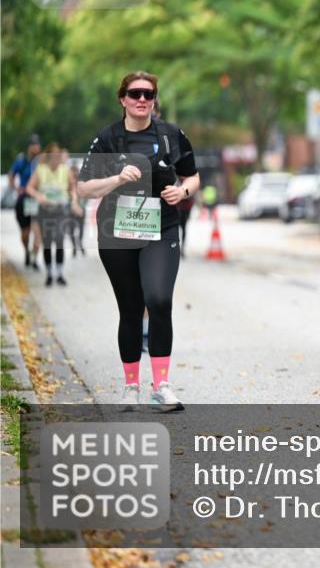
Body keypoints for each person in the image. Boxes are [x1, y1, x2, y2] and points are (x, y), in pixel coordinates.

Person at [77, 71, 200, 412]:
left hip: (161, 228)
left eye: (149, 94)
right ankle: (131, 387)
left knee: (159, 300)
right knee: (131, 309)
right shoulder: (108, 139)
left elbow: (192, 175)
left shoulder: (171, 135)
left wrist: (183, 190)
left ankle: (161, 385)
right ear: (123, 99)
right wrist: (116, 178)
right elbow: (84, 188)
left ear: (154, 99)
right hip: (117, 232)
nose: (142, 99)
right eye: (135, 94)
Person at [26, 143, 79, 286]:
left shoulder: (64, 169)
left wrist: (74, 202)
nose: (56, 161)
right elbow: (29, 188)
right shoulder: (40, 169)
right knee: (48, 243)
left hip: (60, 210)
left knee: (60, 239)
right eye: (54, 158)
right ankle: (49, 274)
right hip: (45, 211)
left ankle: (60, 273)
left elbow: (72, 188)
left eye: (58, 158)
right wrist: (38, 196)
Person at [8, 134, 42, 270]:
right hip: (25, 199)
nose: (36, 147)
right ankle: (27, 251)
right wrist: (15, 188)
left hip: (36, 199)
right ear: (30, 147)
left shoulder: (41, 162)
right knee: (26, 232)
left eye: (37, 145)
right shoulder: (21, 160)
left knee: (38, 231)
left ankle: (34, 259)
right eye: (34, 145)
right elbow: (11, 174)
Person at [67, 164, 87, 257]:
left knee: (81, 230)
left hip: (81, 210)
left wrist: (81, 207)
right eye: (72, 172)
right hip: (70, 211)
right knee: (71, 231)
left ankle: (80, 244)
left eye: (75, 172)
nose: (74, 174)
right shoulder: (67, 184)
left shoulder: (81, 183)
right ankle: (74, 247)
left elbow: (85, 196)